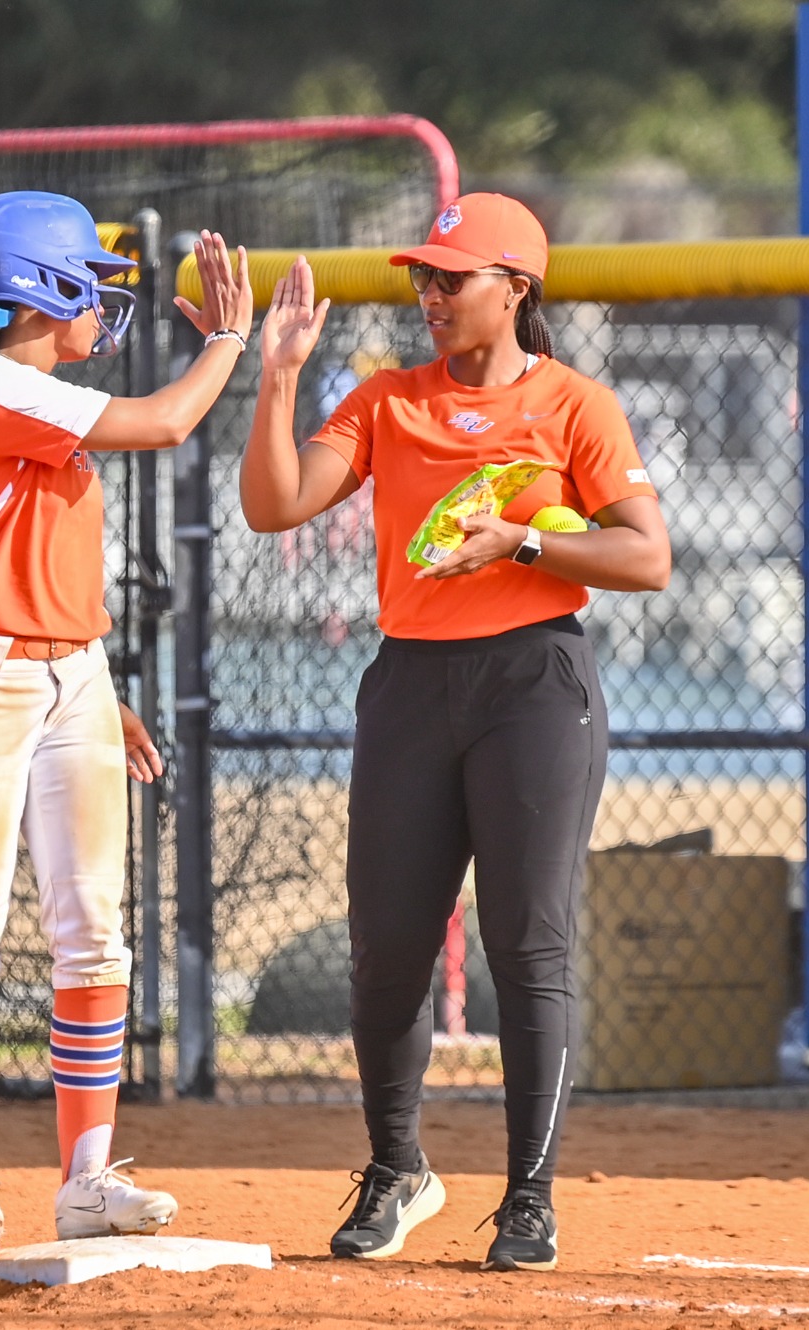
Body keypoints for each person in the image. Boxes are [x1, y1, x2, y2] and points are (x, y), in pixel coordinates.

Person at [237, 193, 671, 1272]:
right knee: (385, 947)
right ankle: (396, 1169)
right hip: (410, 683)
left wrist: (520, 544)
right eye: (420, 279)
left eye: (450, 277)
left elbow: (643, 557)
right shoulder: (387, 400)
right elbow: (274, 504)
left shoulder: (576, 404)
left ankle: (528, 1196)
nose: (428, 296)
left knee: (526, 945)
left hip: (534, 682)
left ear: (514, 287)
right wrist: (279, 373)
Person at [0, 191, 252, 1264]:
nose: (102, 297)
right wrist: (231, 342)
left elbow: (43, 563)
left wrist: (98, 686)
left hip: (68, 678)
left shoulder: (26, 389)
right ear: (39, 290)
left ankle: (88, 1180)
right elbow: (166, 421)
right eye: (85, 279)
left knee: (94, 931)